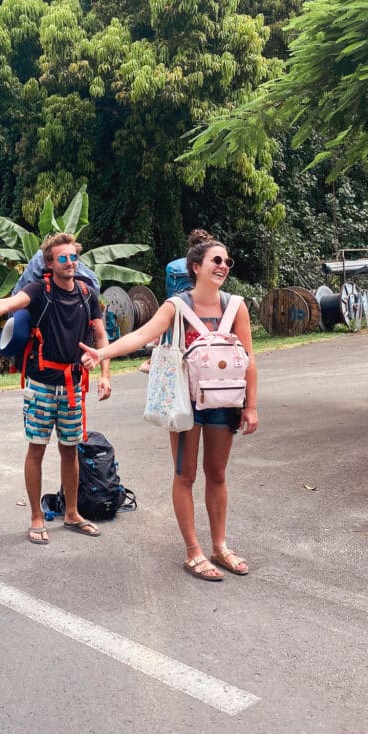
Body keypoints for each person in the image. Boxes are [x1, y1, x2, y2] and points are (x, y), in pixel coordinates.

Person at [80, 237, 258, 581]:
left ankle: (219, 546)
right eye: (216, 261)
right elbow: (142, 334)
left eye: (226, 262)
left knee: (218, 474)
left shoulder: (236, 306)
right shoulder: (176, 306)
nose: (222, 266)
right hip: (185, 403)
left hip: (225, 401)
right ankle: (193, 551)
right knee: (185, 475)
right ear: (196, 267)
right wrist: (103, 354)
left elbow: (250, 360)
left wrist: (251, 405)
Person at [0, 233, 112, 545]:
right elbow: (7, 304)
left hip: (73, 384)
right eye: (62, 259)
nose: (69, 263)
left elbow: (101, 336)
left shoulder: (87, 293)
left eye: (73, 257)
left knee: (70, 451)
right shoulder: (40, 290)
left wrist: (105, 373)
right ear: (50, 264)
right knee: (36, 449)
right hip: (40, 386)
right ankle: (36, 516)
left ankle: (72, 512)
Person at [139, 228, 213, 372]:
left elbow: (169, 290)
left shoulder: (172, 266)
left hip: (176, 314)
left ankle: (154, 357)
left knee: (173, 350)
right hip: (201, 316)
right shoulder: (210, 266)